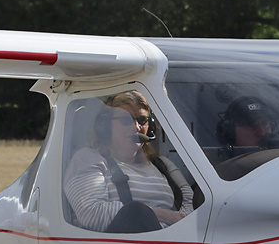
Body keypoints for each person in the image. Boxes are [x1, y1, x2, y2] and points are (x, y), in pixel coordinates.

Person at [64, 92, 194, 233]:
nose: (136, 128)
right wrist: (163, 215)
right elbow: (92, 214)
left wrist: (178, 226)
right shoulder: (87, 159)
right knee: (135, 211)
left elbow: (189, 201)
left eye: (142, 120)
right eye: (126, 120)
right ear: (106, 126)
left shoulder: (163, 164)